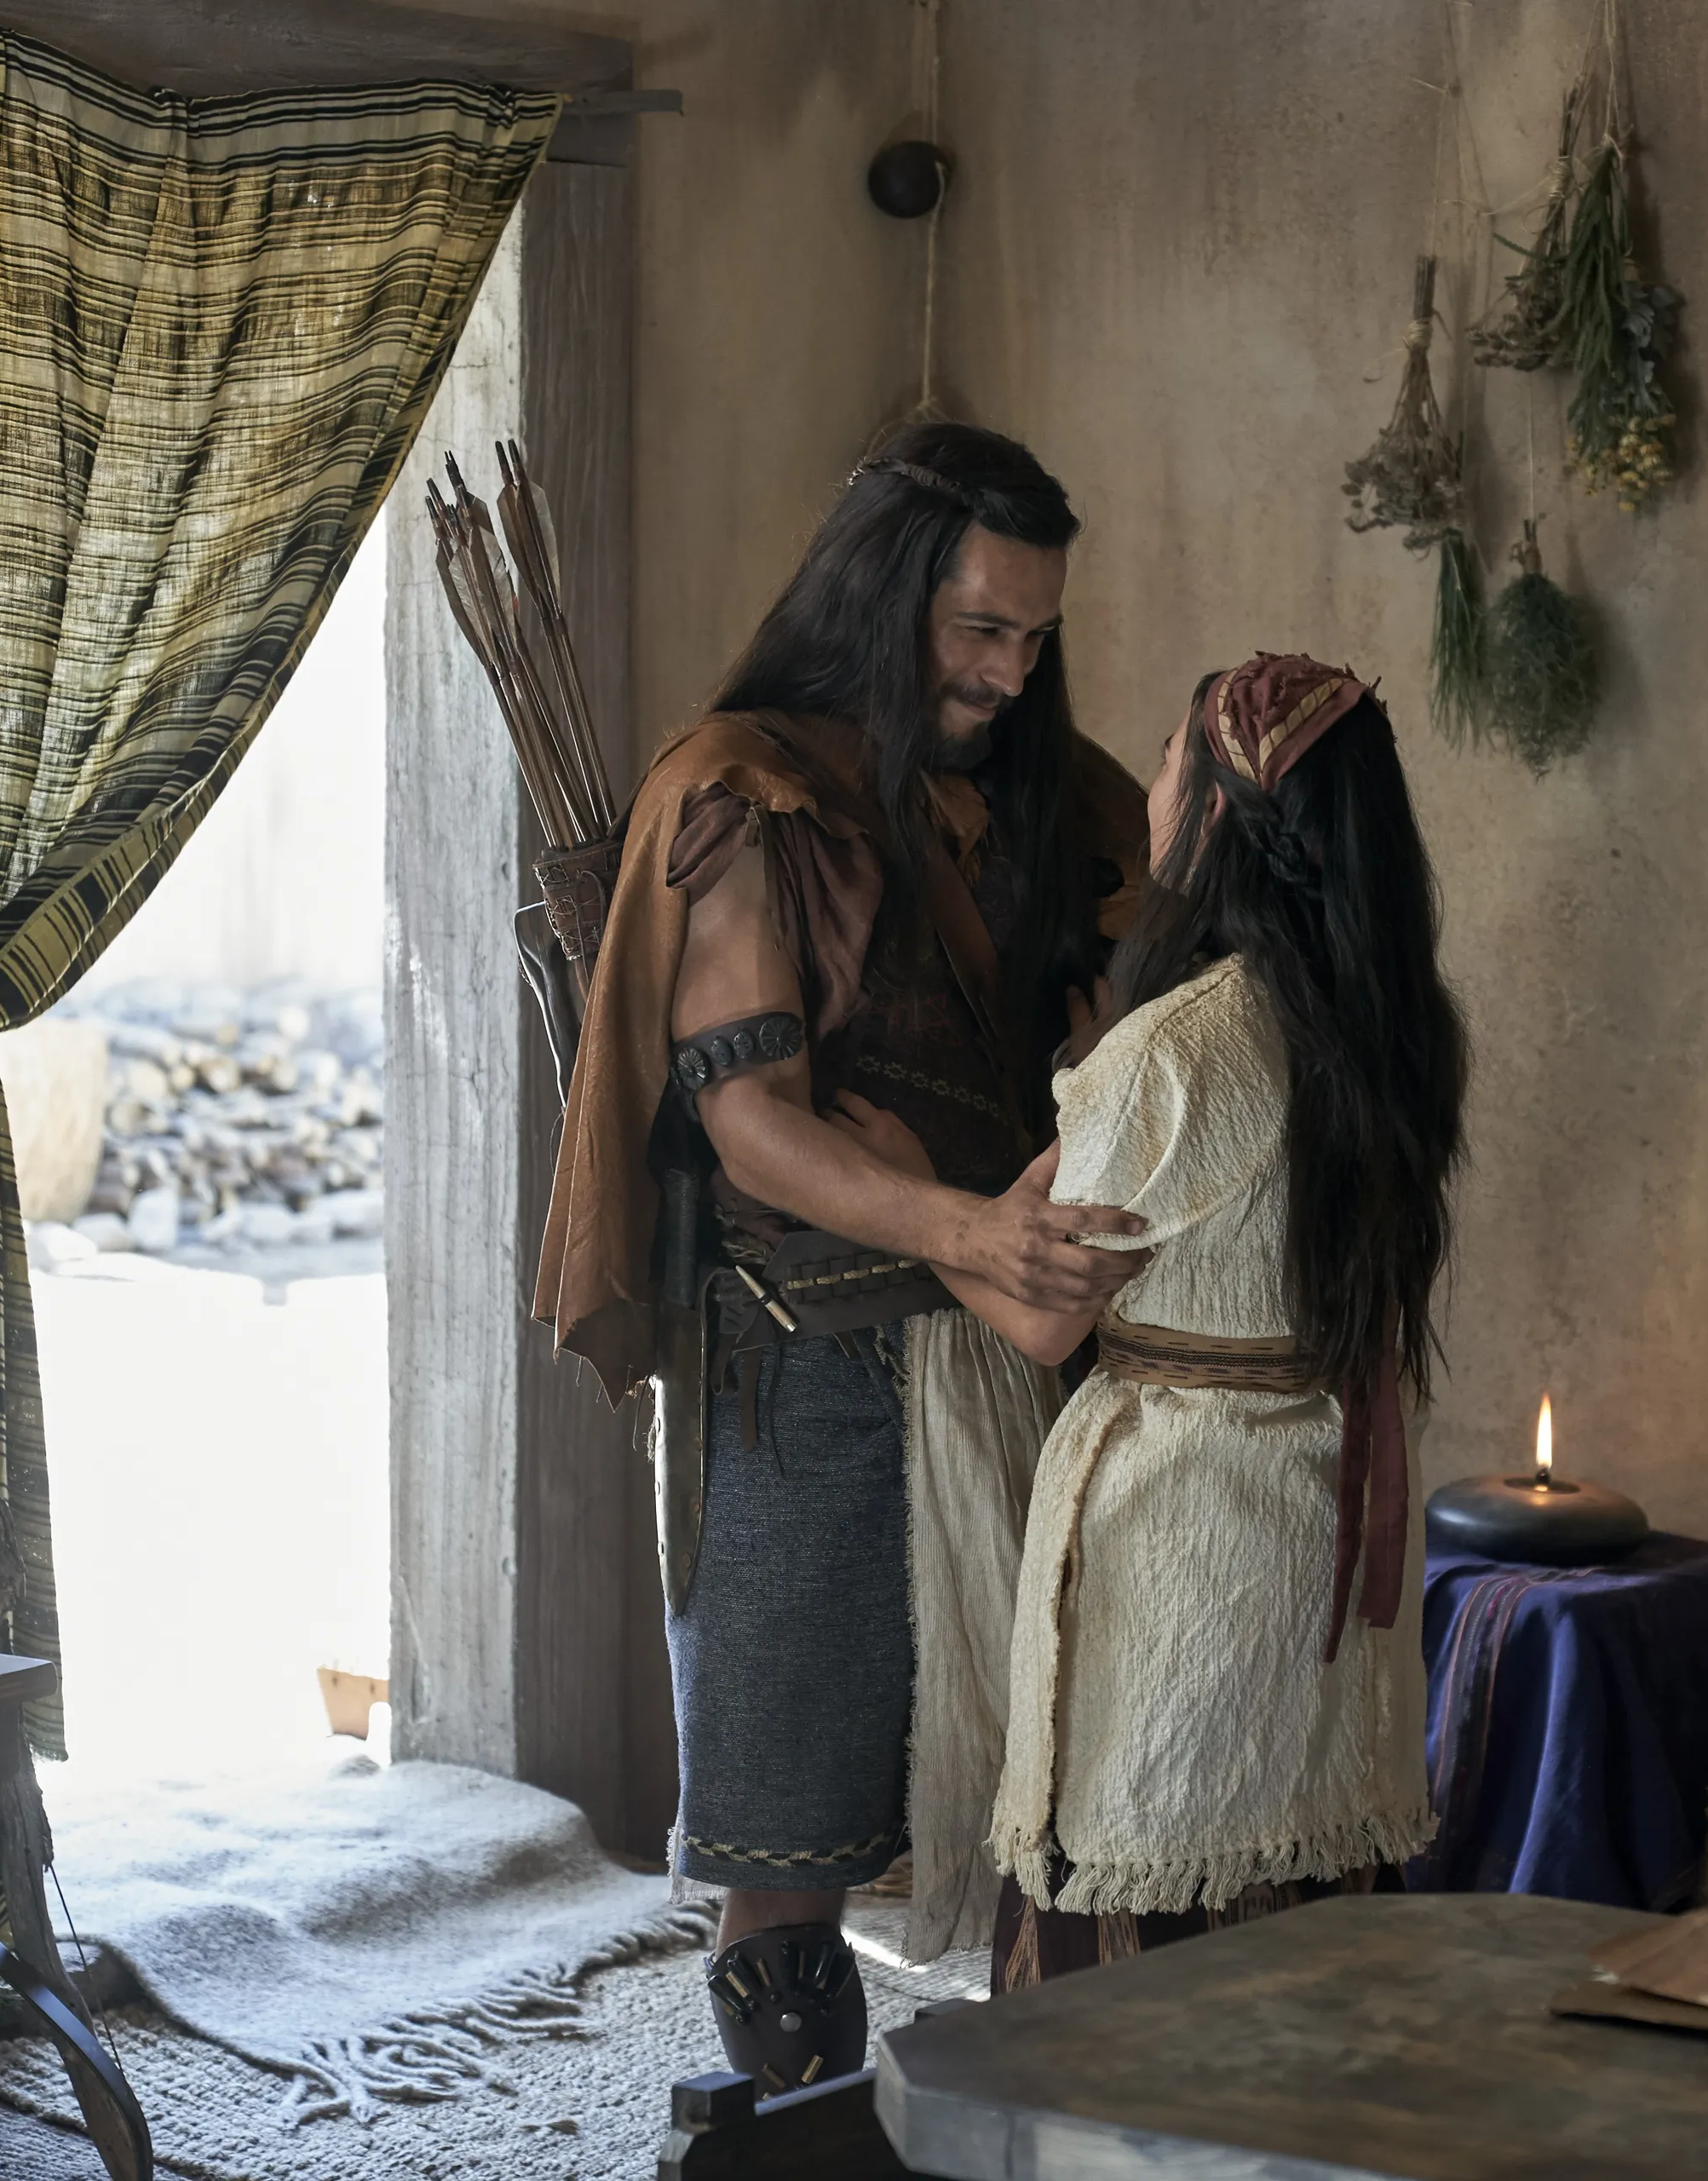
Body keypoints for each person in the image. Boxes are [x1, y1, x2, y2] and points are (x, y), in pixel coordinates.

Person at [534, 422, 1148, 2092]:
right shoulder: (749, 792)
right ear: (887, 597)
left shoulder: (1048, 793)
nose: (1010, 673)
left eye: (1036, 635)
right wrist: (968, 1226)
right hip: (803, 1365)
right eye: (979, 627)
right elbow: (752, 1121)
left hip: (1017, 1354)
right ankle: (791, 2125)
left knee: (1049, 1807)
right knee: (788, 1845)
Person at [850, 653, 1469, 1988]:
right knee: (1294, 1835)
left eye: (1172, 762)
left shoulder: (1179, 1049)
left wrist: (903, 1202)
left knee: (1148, 1841)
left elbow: (1042, 1318)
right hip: (1320, 1507)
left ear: (1220, 811)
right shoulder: (1395, 1024)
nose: (1149, 789)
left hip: (1182, 1527)